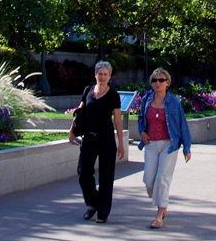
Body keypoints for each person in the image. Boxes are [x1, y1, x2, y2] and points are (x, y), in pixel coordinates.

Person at [69, 60, 125, 223]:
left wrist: (121, 143)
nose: (102, 77)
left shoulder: (113, 95)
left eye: (105, 74)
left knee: (106, 177)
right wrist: (72, 130)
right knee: (83, 172)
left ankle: (103, 213)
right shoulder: (88, 91)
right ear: (95, 74)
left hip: (106, 139)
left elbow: (118, 120)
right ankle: (93, 203)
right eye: (99, 74)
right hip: (89, 138)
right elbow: (79, 112)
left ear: (109, 76)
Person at [137, 69, 191, 228]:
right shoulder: (146, 100)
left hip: (169, 144)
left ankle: (159, 214)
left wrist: (186, 148)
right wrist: (142, 132)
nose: (157, 83)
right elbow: (141, 118)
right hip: (151, 144)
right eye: (154, 80)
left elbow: (182, 125)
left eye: (161, 80)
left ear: (167, 82)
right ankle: (162, 201)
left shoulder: (173, 102)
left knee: (162, 178)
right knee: (149, 180)